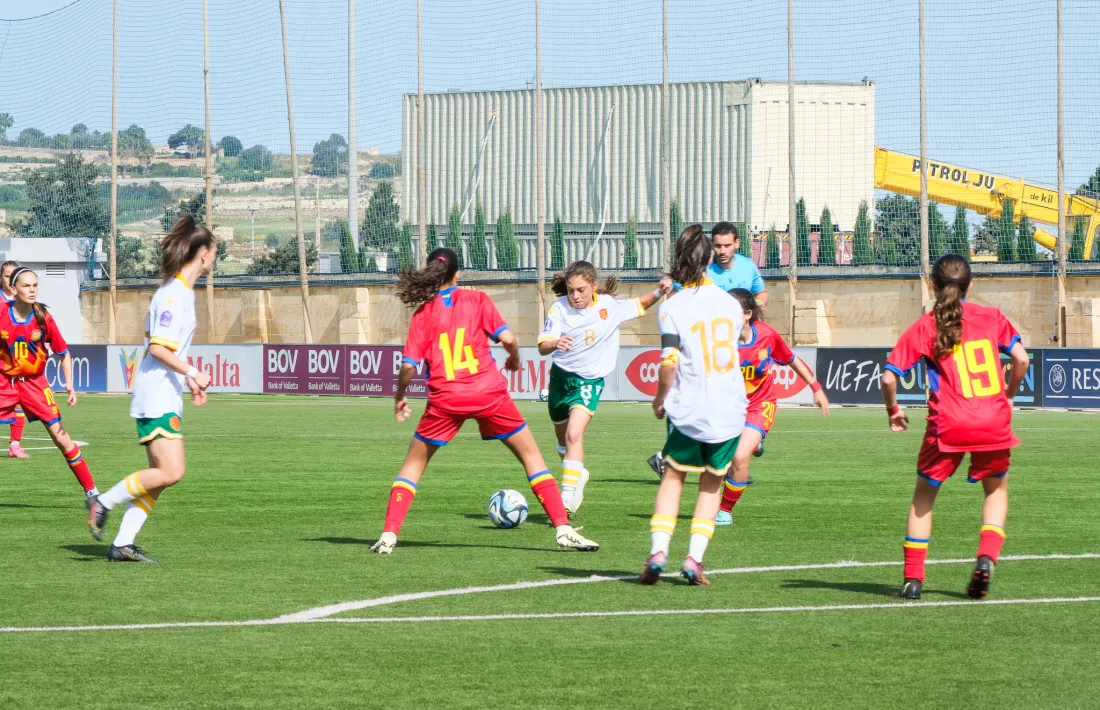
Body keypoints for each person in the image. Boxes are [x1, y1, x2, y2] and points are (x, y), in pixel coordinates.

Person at [370, 247, 598, 555]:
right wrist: (515, 359)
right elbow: (509, 339)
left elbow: (409, 366)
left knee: (413, 466)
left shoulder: (423, 314)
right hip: (488, 393)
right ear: (458, 274)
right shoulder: (476, 300)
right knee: (532, 457)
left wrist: (400, 398)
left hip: (445, 399)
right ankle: (563, 529)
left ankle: (388, 535)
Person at [883, 254, 1029, 600]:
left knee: (924, 499)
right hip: (993, 421)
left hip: (948, 425)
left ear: (932, 284)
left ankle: (913, 581)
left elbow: (889, 377)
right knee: (995, 491)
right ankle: (985, 556)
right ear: (971, 286)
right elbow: (1021, 358)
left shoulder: (925, 325)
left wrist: (893, 410)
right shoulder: (992, 317)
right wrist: (1008, 395)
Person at [86, 215, 215, 562]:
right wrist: (192, 371)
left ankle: (122, 543)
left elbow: (167, 349)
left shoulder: (180, 292)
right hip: (156, 393)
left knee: (159, 478)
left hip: (163, 391)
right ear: (202, 254)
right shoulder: (174, 295)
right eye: (214, 251)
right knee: (171, 472)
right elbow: (158, 349)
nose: (215, 258)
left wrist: (188, 377)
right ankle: (104, 501)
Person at [641, 225, 747, 586]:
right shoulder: (732, 305)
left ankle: (658, 551)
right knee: (710, 485)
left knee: (672, 478)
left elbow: (669, 362)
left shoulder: (672, 307)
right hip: (728, 408)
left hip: (688, 407)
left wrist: (659, 398)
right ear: (708, 261)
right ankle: (693, 559)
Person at [537, 260, 668, 514]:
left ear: (593, 286)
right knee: (562, 441)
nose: (575, 295)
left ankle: (566, 498)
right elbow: (543, 347)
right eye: (571, 289)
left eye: (581, 290)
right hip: (561, 379)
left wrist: (659, 293)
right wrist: (554, 344)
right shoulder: (559, 309)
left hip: (589, 381)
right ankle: (578, 475)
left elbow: (639, 305)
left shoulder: (608, 306)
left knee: (575, 434)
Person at [712, 288, 829, 525]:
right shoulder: (716, 340)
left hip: (760, 404)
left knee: (739, 456)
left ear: (746, 314)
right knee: (717, 461)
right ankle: (754, 443)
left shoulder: (766, 335)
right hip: (728, 407)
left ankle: (725, 511)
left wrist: (816, 387)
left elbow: (792, 360)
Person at [0, 267, 98, 503]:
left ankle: (93, 494)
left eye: (35, 285)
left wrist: (70, 386)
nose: (32, 290)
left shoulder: (43, 318)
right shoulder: (2, 314)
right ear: (13, 289)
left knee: (61, 437)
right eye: (26, 285)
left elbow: (64, 353)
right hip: (5, 383)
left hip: (35, 385)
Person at [0, 260, 28, 458]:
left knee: (19, 402)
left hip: (18, 361)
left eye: (14, 276)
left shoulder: (25, 302)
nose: (10, 280)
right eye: (7, 276)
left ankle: (15, 445)